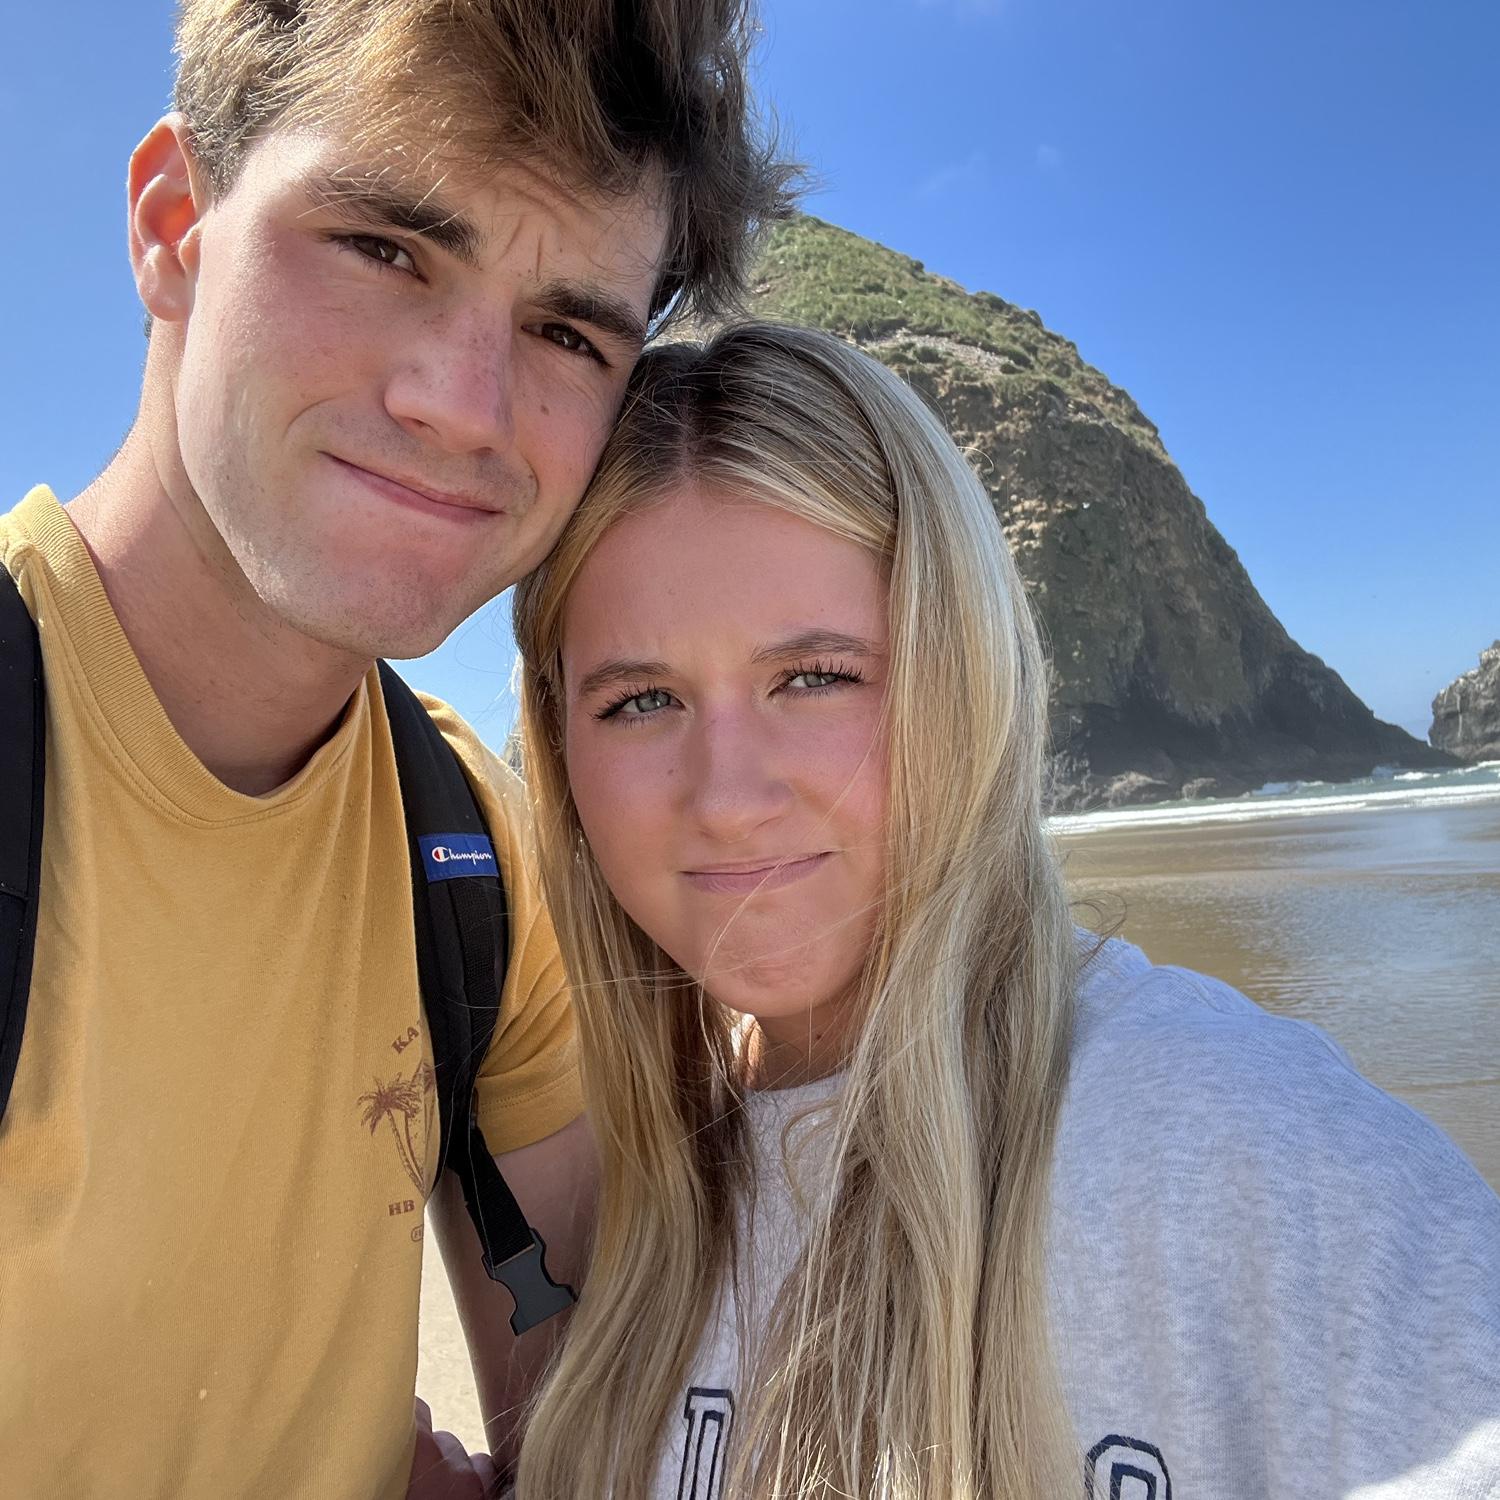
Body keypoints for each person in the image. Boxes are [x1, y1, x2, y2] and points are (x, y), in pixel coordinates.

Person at [0, 3, 793, 1495]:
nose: (465, 408)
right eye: (383, 248)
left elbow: (588, 1410)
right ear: (174, 225)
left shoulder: (470, 852)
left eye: (567, 332)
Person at [508, 322, 1500, 1499]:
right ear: (560, 748)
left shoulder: (1244, 1152)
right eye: (640, 700)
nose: (726, 798)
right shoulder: (629, 1213)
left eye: (816, 678)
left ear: (963, 680)